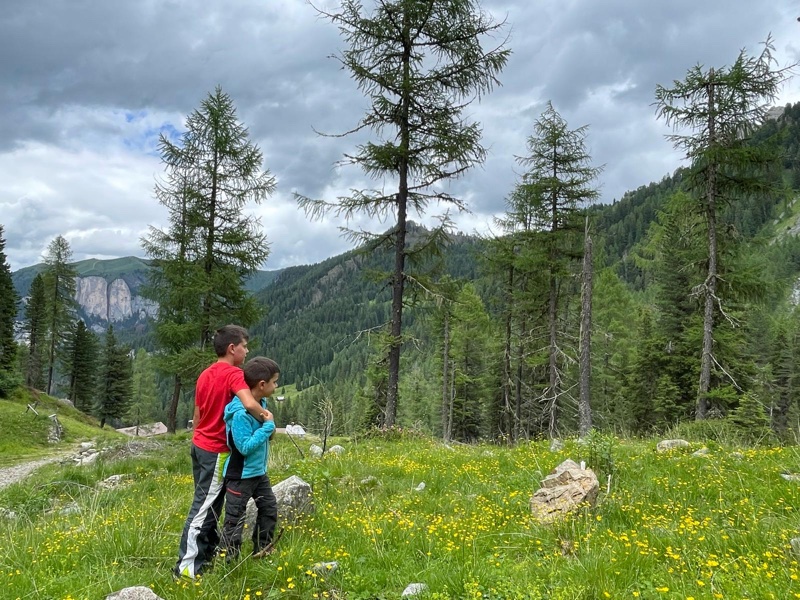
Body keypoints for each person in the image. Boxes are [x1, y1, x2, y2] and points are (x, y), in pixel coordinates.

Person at [174, 325, 272, 580]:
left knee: (210, 504)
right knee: (203, 507)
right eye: (244, 346)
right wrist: (268, 420)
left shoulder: (205, 373)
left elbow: (197, 413)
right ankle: (186, 568)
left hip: (199, 445)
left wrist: (196, 440)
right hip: (216, 450)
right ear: (232, 348)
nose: (247, 350)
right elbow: (249, 402)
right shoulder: (233, 374)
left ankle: (205, 556)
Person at [219, 356, 280, 560]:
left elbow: (265, 436)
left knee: (269, 509)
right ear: (262, 385)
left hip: (258, 474)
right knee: (234, 519)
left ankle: (263, 550)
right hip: (240, 476)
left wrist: (267, 428)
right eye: (274, 381)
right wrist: (269, 427)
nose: (276, 385)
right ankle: (230, 561)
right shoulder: (241, 414)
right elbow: (244, 447)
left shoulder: (261, 404)